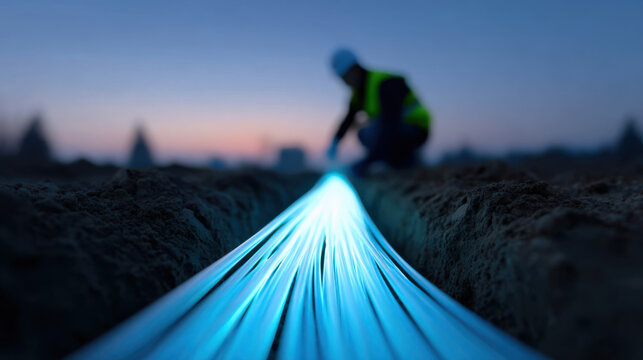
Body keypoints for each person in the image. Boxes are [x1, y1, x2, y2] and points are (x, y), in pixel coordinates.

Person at [327, 49, 431, 176]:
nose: (344, 82)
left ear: (354, 69)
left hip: (415, 129)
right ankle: (396, 160)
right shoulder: (358, 94)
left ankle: (400, 159)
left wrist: (367, 162)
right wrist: (335, 142)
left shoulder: (384, 83)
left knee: (373, 131)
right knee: (364, 133)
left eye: (345, 77)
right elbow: (348, 119)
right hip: (394, 129)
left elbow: (390, 124)